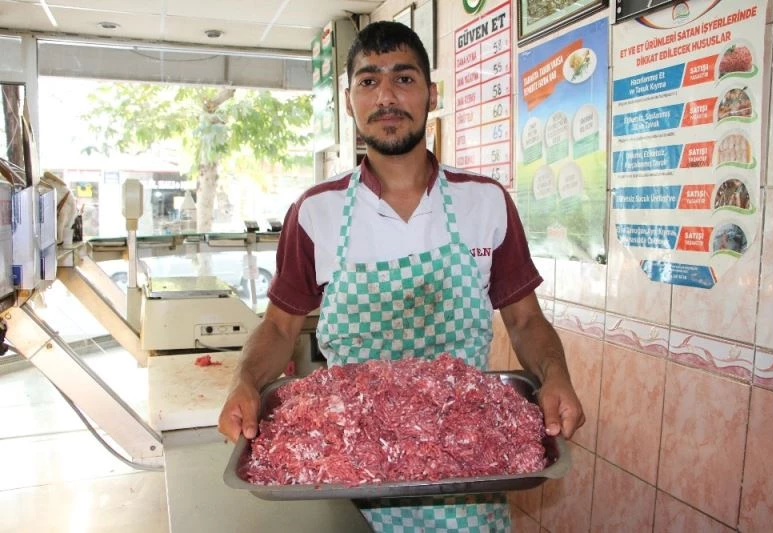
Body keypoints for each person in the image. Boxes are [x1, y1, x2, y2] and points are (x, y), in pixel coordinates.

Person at [219, 20, 584, 532]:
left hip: (463, 473)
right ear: (349, 101)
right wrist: (244, 382)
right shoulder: (316, 212)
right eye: (368, 81)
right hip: (342, 471)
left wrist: (556, 376)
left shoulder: (485, 202)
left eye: (404, 78)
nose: (386, 96)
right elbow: (280, 328)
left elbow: (524, 320)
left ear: (431, 94)